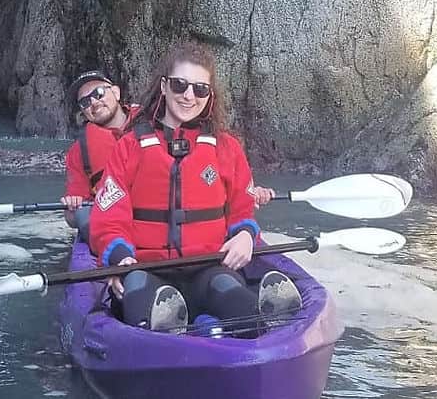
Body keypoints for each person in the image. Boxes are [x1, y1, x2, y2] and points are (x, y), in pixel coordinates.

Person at [89, 42, 302, 334]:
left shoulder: (226, 148)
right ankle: (196, 328)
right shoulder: (129, 147)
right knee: (138, 295)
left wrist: (245, 235)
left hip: (209, 267)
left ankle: (238, 322)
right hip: (146, 270)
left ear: (209, 95)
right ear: (164, 86)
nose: (189, 96)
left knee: (238, 302)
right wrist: (118, 259)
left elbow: (242, 207)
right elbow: (109, 217)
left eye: (200, 89)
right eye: (180, 85)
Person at [60, 70, 138, 239]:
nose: (94, 103)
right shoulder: (78, 151)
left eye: (99, 93)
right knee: (82, 215)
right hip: (113, 222)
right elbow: (72, 218)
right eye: (85, 102)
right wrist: (72, 206)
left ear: (116, 93)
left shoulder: (152, 121)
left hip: (156, 212)